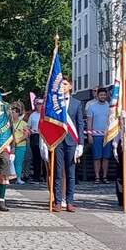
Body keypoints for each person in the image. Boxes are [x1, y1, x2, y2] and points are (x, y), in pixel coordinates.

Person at [53, 79, 85, 212]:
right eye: (61, 84)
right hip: (58, 141)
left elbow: (80, 124)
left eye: (65, 84)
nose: (63, 87)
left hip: (72, 142)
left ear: (70, 86)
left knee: (71, 173)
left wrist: (81, 144)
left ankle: (70, 201)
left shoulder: (77, 103)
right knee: (58, 172)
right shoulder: (55, 103)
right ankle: (58, 201)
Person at [86, 88, 112, 183]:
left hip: (107, 136)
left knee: (106, 157)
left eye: (104, 95)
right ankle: (97, 177)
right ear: (97, 95)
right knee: (97, 157)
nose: (103, 97)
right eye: (101, 95)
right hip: (96, 136)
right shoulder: (91, 107)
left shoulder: (110, 107)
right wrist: (89, 135)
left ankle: (104, 177)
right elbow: (89, 122)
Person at [10, 102, 29, 184]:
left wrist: (18, 140)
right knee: (11, 162)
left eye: (13, 113)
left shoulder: (23, 124)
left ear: (18, 113)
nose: (12, 114)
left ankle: (18, 178)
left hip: (21, 145)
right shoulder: (8, 124)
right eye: (11, 113)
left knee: (19, 162)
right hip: (11, 146)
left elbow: (26, 135)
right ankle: (11, 178)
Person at [27, 98, 44, 183]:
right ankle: (36, 176)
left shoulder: (46, 115)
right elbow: (28, 127)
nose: (39, 106)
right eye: (38, 104)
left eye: (41, 104)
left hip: (44, 137)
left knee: (44, 157)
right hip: (35, 136)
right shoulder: (32, 115)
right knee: (36, 157)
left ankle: (44, 175)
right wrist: (30, 131)